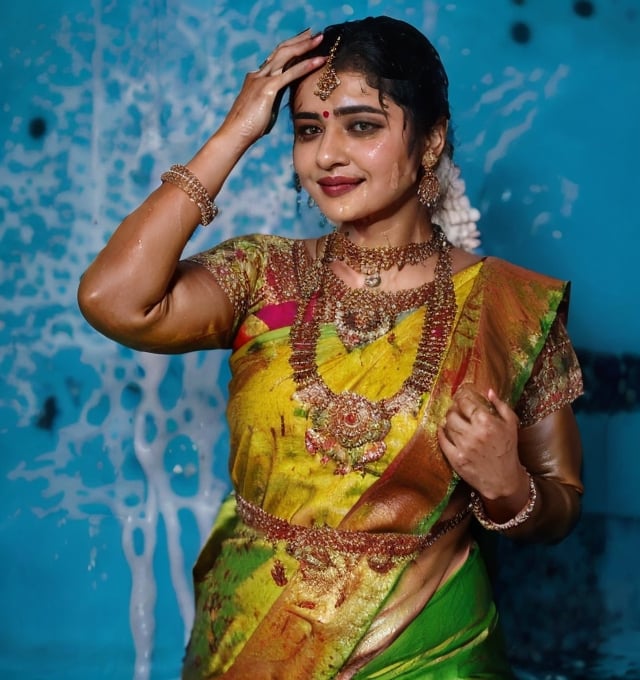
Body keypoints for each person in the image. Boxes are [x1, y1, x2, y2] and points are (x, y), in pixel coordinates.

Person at [77, 16, 584, 679]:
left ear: (430, 140)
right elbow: (112, 299)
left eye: (362, 126)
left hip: (430, 650)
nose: (326, 156)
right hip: (256, 640)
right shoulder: (261, 277)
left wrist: (507, 484)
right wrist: (235, 133)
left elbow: (562, 506)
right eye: (308, 130)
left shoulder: (508, 307)